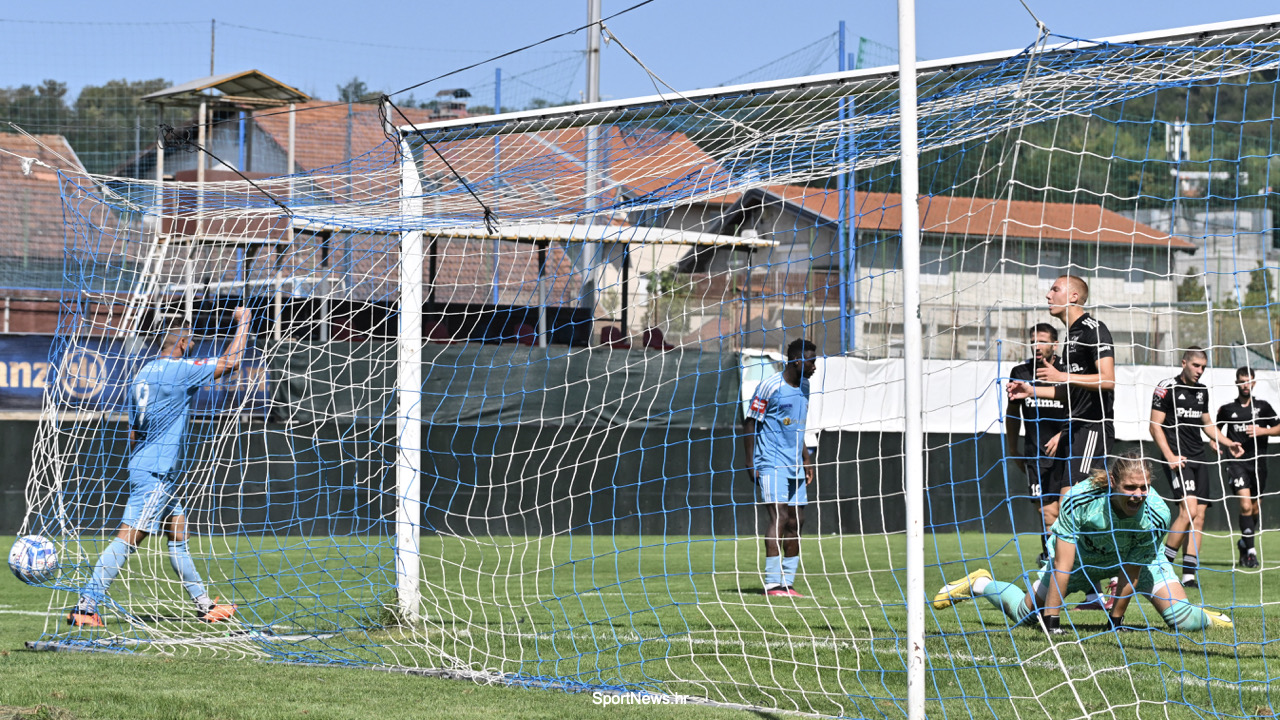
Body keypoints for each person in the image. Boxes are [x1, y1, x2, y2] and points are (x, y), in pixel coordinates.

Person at [68, 308, 252, 627]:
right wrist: (244, 322)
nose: (192, 345)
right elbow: (231, 362)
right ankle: (86, 607)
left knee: (178, 535)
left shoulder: (142, 374)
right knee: (127, 539)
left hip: (150, 468)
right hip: (156, 473)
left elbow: (133, 432)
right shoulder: (177, 371)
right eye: (190, 341)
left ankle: (205, 605)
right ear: (181, 342)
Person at [933, 451, 1233, 633]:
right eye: (1130, 487)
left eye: (1144, 487)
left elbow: (1132, 570)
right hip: (1079, 562)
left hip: (1133, 561)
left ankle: (1207, 617)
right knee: (1026, 615)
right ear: (1113, 483)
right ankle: (980, 583)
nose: (1138, 495)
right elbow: (1063, 563)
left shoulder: (1156, 514)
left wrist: (1115, 620)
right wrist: (1052, 621)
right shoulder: (1081, 498)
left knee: (1180, 621)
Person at [1007, 275, 1116, 609]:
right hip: (1075, 430)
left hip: (1093, 429)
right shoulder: (1072, 338)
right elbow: (1068, 390)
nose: (1047, 294)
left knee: (1071, 505)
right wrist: (1031, 390)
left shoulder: (1094, 329)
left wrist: (1062, 376)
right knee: (1067, 512)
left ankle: (1111, 574)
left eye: (1054, 289)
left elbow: (1108, 380)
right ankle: (1081, 582)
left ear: (1072, 295)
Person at [1150, 347, 1243, 588]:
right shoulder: (1166, 387)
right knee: (1188, 510)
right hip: (1178, 458)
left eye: (1203, 367)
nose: (1200, 371)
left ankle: (1189, 575)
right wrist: (1169, 456)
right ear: (1184, 363)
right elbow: (1154, 426)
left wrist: (1227, 442)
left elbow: (1207, 424)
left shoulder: (1201, 392)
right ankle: (1163, 566)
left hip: (1199, 456)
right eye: (1196, 366)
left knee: (1199, 516)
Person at [743, 338, 817, 598]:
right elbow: (750, 423)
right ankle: (773, 583)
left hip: (795, 463)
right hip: (770, 461)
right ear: (797, 361)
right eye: (811, 361)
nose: (814, 367)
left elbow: (797, 426)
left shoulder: (805, 386)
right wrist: (751, 462)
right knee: (780, 517)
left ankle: (788, 583)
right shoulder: (769, 386)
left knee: (797, 521)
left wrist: (806, 458)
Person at [1005, 323, 1068, 564]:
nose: (1036, 346)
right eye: (1032, 341)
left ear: (1055, 344)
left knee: (1066, 511)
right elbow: (1012, 414)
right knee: (1046, 512)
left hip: (1068, 452)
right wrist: (1013, 449)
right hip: (1035, 455)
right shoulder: (1020, 372)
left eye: (1042, 341)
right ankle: (1053, 562)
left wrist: (1063, 434)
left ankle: (1067, 561)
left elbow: (1081, 410)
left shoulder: (1066, 371)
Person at [1214, 366, 1278, 569]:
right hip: (1236, 463)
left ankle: (1244, 542)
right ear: (1236, 383)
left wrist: (1261, 430)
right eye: (1241, 381)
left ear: (1254, 383)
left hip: (1258, 463)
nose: (1245, 385)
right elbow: (1214, 431)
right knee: (1245, 505)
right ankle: (1251, 552)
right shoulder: (1227, 409)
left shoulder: (1263, 407)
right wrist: (1218, 443)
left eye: (1248, 381)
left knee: (1255, 507)